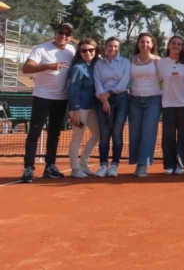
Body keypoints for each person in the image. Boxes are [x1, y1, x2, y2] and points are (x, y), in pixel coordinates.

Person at [20, 23, 76, 183]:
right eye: (61, 32)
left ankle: (50, 166)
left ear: (70, 37)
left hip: (61, 99)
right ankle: (28, 168)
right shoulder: (41, 49)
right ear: (55, 33)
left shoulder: (71, 51)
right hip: (42, 97)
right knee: (34, 133)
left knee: (54, 134)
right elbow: (26, 68)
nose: (63, 36)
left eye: (67, 34)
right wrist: (48, 66)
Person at [93, 36, 131, 178]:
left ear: (118, 48)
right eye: (110, 46)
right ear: (105, 47)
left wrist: (109, 94)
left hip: (121, 99)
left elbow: (123, 83)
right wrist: (104, 100)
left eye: (115, 46)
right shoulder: (98, 64)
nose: (112, 49)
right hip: (102, 100)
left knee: (116, 133)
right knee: (104, 135)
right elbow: (97, 82)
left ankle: (114, 165)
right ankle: (103, 165)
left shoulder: (125, 63)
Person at [128, 33, 162, 177]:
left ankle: (143, 165)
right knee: (135, 134)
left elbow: (164, 81)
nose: (145, 45)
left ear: (152, 45)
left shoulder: (157, 61)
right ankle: (137, 161)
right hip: (134, 101)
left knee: (148, 133)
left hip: (153, 100)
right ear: (138, 44)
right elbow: (125, 79)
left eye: (148, 42)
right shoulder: (131, 60)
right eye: (142, 42)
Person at [157, 35, 184, 175]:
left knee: (183, 135)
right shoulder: (161, 62)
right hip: (167, 103)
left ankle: (181, 165)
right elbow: (158, 80)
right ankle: (169, 165)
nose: (176, 46)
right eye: (173, 43)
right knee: (168, 135)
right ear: (168, 45)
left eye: (179, 44)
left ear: (183, 47)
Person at [67, 38, 101, 178]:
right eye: (84, 50)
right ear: (80, 52)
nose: (88, 52)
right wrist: (74, 111)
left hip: (92, 107)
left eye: (91, 50)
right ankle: (75, 169)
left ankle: (83, 164)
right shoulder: (77, 67)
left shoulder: (95, 65)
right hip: (80, 109)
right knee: (77, 138)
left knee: (97, 134)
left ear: (95, 51)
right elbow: (72, 90)